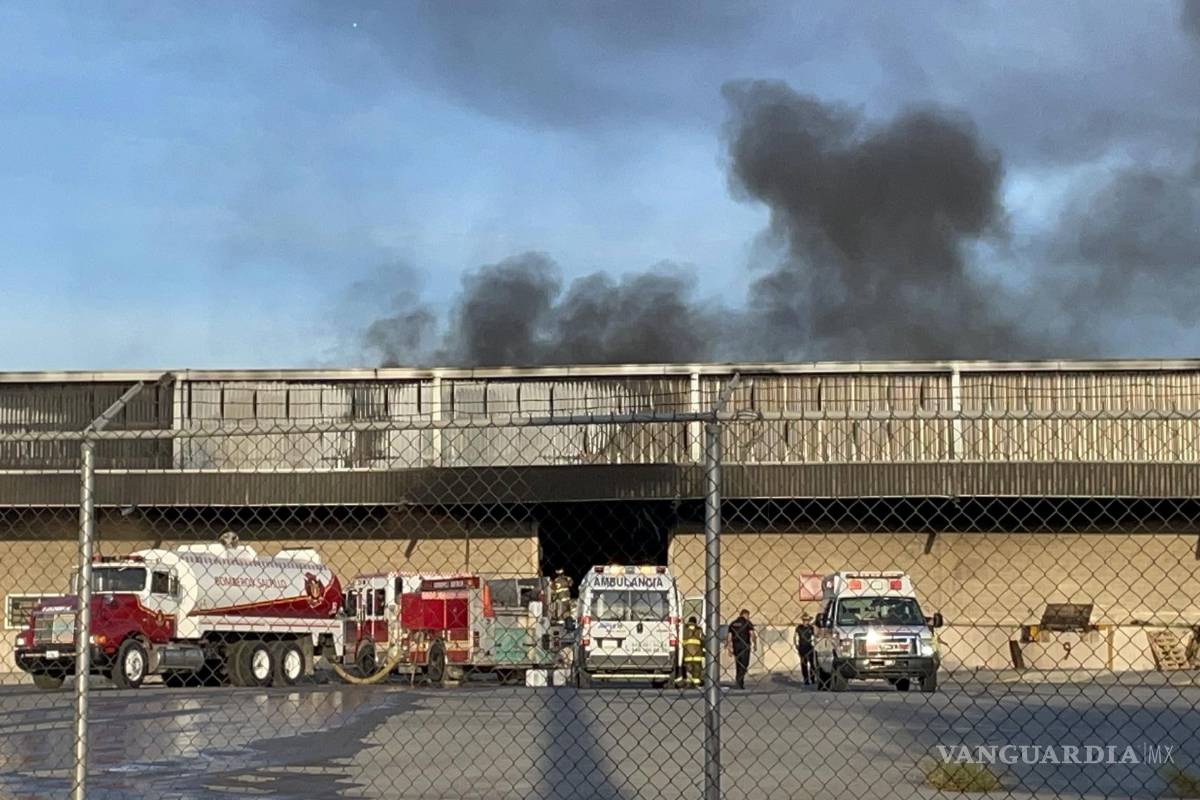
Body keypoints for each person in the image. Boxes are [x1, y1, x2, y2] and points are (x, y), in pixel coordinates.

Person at [726, 609, 756, 690]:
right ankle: (739, 680)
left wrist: (729, 648)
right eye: (748, 616)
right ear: (745, 614)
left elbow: (729, 637)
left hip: (736, 647)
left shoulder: (733, 623)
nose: (748, 617)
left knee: (738, 664)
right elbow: (752, 634)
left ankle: (739, 680)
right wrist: (755, 644)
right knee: (745, 664)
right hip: (745, 646)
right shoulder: (747, 623)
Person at [794, 612, 816, 685]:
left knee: (812, 663)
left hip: (810, 647)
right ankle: (806, 679)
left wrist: (814, 645)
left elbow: (814, 637)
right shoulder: (799, 628)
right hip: (802, 647)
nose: (805, 621)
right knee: (804, 664)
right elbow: (795, 637)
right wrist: (796, 645)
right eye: (804, 620)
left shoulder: (811, 628)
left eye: (807, 620)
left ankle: (812, 678)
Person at [681, 616, 703, 687]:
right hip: (697, 655)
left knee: (688, 670)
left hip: (688, 655)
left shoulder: (685, 630)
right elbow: (703, 640)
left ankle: (689, 683)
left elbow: (682, 641)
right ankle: (696, 684)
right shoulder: (699, 630)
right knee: (696, 671)